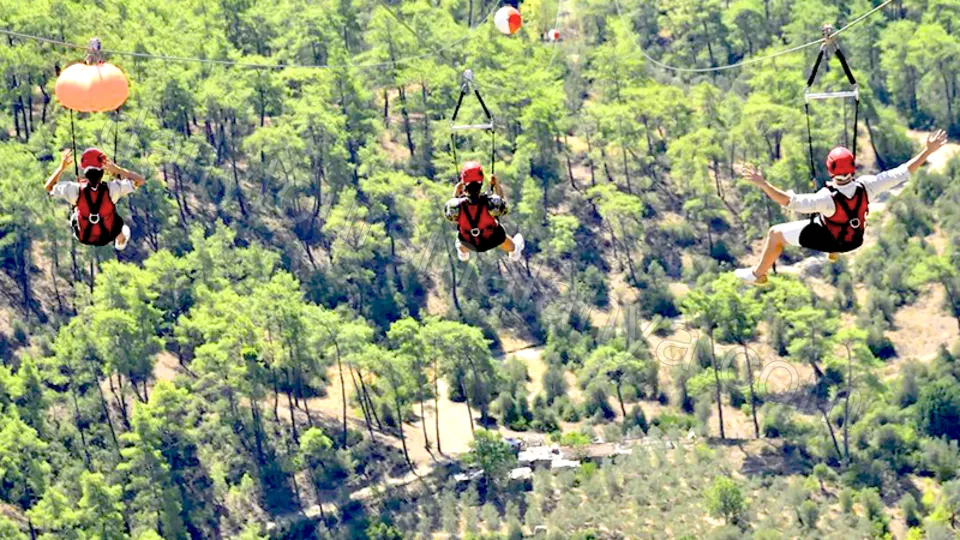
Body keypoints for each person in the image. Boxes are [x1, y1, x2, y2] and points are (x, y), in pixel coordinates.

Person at [735, 129, 948, 284]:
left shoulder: (825, 198)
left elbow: (788, 201)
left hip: (831, 236)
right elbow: (903, 172)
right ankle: (833, 250)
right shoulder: (868, 185)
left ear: (830, 170)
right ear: (853, 168)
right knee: (826, 220)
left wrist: (763, 183)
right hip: (855, 239)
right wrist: (927, 151)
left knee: (776, 233)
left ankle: (757, 275)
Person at [45, 147, 145, 251]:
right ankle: (121, 239)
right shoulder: (113, 189)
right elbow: (140, 180)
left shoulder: (74, 190)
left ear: (85, 173)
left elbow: (49, 187)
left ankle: (118, 237)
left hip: (84, 236)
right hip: (108, 235)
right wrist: (117, 170)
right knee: (111, 213)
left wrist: (61, 167)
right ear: (102, 173)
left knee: (76, 210)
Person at [444, 161, 525, 262]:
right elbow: (502, 206)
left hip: (469, 242)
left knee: (460, 235)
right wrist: (496, 185)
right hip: (491, 240)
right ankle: (514, 251)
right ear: (481, 181)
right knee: (500, 234)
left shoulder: (457, 205)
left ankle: (463, 252)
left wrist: (456, 194)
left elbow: (453, 215)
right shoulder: (490, 202)